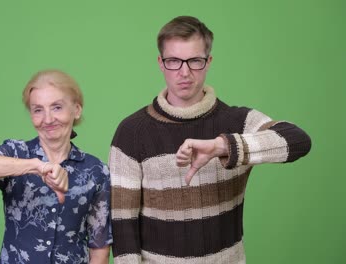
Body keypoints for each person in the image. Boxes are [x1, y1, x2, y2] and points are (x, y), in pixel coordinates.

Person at [109, 16, 311, 264]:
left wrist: (223, 146)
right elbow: (122, 224)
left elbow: (298, 141)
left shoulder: (238, 123)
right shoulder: (132, 132)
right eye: (174, 61)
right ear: (161, 63)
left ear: (208, 62)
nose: (184, 72)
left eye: (195, 60)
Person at [0, 69, 112, 264]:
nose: (47, 119)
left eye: (57, 107)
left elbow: (99, 249)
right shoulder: (17, 153)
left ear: (76, 110)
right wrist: (34, 166)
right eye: (38, 109)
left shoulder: (96, 171)